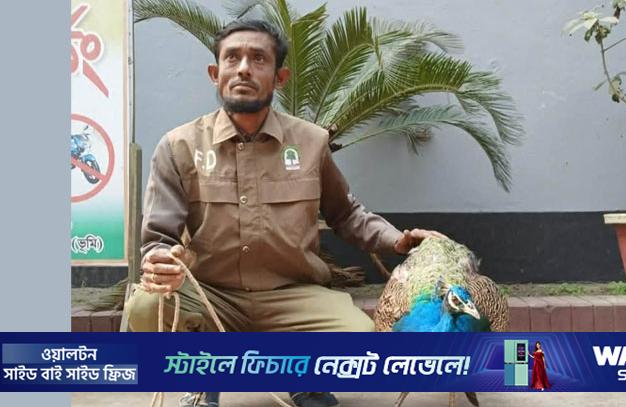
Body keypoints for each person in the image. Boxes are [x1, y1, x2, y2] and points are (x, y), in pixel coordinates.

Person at [124, 18, 443, 407]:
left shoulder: (311, 142)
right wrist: (161, 261)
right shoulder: (179, 146)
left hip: (293, 296)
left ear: (280, 78)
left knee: (359, 338)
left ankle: (304, 379)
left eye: (258, 59)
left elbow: (346, 214)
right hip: (212, 295)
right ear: (215, 74)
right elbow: (159, 237)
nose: (244, 68)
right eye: (232, 58)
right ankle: (202, 376)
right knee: (146, 306)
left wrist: (398, 240)